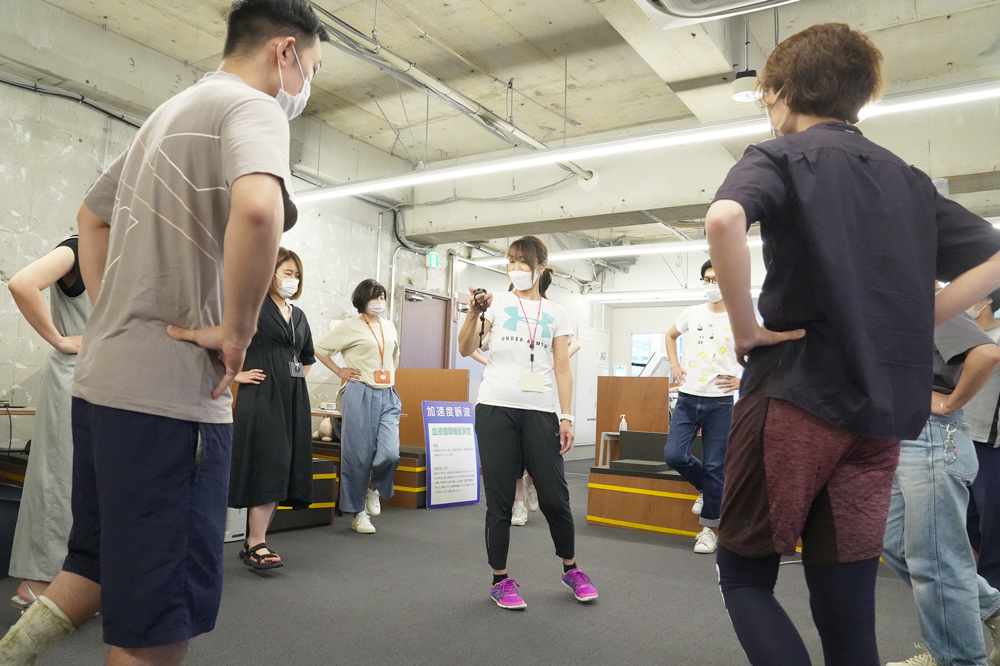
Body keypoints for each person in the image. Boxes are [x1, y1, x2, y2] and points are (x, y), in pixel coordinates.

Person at [0, 2, 326, 664]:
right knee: (157, 620)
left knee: (94, 564)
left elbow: (90, 220)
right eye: (312, 68)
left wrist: (115, 313)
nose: (306, 86)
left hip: (103, 385)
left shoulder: (168, 114)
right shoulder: (253, 107)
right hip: (169, 400)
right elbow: (259, 212)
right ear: (285, 51)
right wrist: (236, 331)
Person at [705, 23, 1000, 666]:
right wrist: (925, 315)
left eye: (767, 95)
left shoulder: (779, 156)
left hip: (794, 396)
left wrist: (745, 329)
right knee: (847, 609)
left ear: (783, 90)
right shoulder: (909, 179)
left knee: (745, 577)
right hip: (876, 424)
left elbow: (724, 217)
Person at [458, 235, 597, 610]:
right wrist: (473, 313)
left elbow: (563, 367)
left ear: (541, 267)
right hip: (495, 408)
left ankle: (571, 569)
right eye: (510, 261)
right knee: (500, 500)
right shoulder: (494, 304)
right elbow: (466, 347)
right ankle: (500, 580)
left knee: (555, 496)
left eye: (522, 262)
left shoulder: (557, 312)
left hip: (541, 411)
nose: (515, 268)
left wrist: (566, 416)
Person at [882, 306, 1000, 666]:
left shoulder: (927, 302)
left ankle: (956, 658)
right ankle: (991, 614)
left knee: (937, 561)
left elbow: (987, 353)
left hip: (933, 433)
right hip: (900, 434)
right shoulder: (888, 307)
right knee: (896, 544)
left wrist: (949, 404)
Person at [6, 238, 92, 612]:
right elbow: (22, 283)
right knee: (60, 479)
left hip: (111, 381)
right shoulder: (76, 249)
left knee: (93, 485)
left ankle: (77, 578)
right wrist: (59, 339)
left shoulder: (127, 257)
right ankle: (37, 582)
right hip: (74, 376)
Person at [229, 247, 315, 570]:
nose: (292, 279)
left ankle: (256, 539)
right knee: (269, 461)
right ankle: (256, 542)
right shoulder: (251, 306)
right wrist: (235, 375)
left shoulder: (298, 315)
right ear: (269, 272)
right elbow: (222, 343)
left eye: (296, 275)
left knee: (284, 465)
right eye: (287, 272)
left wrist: (293, 380)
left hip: (293, 398)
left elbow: (307, 357)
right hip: (262, 396)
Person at [471, 276, 581, 527]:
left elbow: (574, 345)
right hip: (503, 399)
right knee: (512, 464)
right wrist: (488, 361)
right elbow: (473, 345)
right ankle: (518, 504)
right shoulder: (502, 314)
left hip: (537, 399)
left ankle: (532, 483)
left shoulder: (549, 315)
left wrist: (552, 363)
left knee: (537, 460)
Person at [663, 259, 741, 554]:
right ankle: (704, 489)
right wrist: (675, 365)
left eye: (717, 279)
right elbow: (670, 336)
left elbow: (763, 354)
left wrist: (743, 380)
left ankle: (709, 530)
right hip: (687, 397)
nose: (711, 284)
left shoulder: (739, 316)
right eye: (707, 279)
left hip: (720, 402)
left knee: (714, 467)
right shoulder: (692, 313)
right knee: (674, 455)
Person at [314, 280, 401, 535]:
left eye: (382, 297)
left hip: (388, 393)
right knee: (358, 457)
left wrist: (390, 374)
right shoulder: (349, 327)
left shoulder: (389, 326)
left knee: (391, 453)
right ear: (362, 300)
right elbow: (319, 349)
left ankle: (373, 488)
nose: (379, 302)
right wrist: (340, 370)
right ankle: (358, 513)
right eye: (374, 297)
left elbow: (395, 353)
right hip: (360, 391)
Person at [963, 294, 1000, 593]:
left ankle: (993, 589)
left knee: (992, 522)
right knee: (963, 518)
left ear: (986, 299)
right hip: (959, 435)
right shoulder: (960, 336)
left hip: (990, 442)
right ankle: (982, 583)